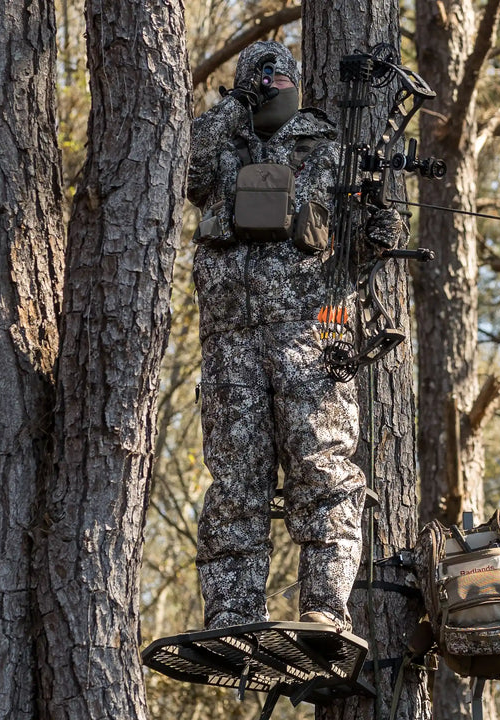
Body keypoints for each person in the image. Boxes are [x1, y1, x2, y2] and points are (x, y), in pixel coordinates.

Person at [187, 40, 386, 632]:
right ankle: (231, 613)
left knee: (323, 473)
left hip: (312, 334)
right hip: (230, 340)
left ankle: (324, 609)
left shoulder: (324, 147)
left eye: (280, 76)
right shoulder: (219, 144)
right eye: (259, 77)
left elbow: (359, 247)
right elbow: (178, 166)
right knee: (235, 481)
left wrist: (381, 229)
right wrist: (232, 111)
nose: (272, 84)